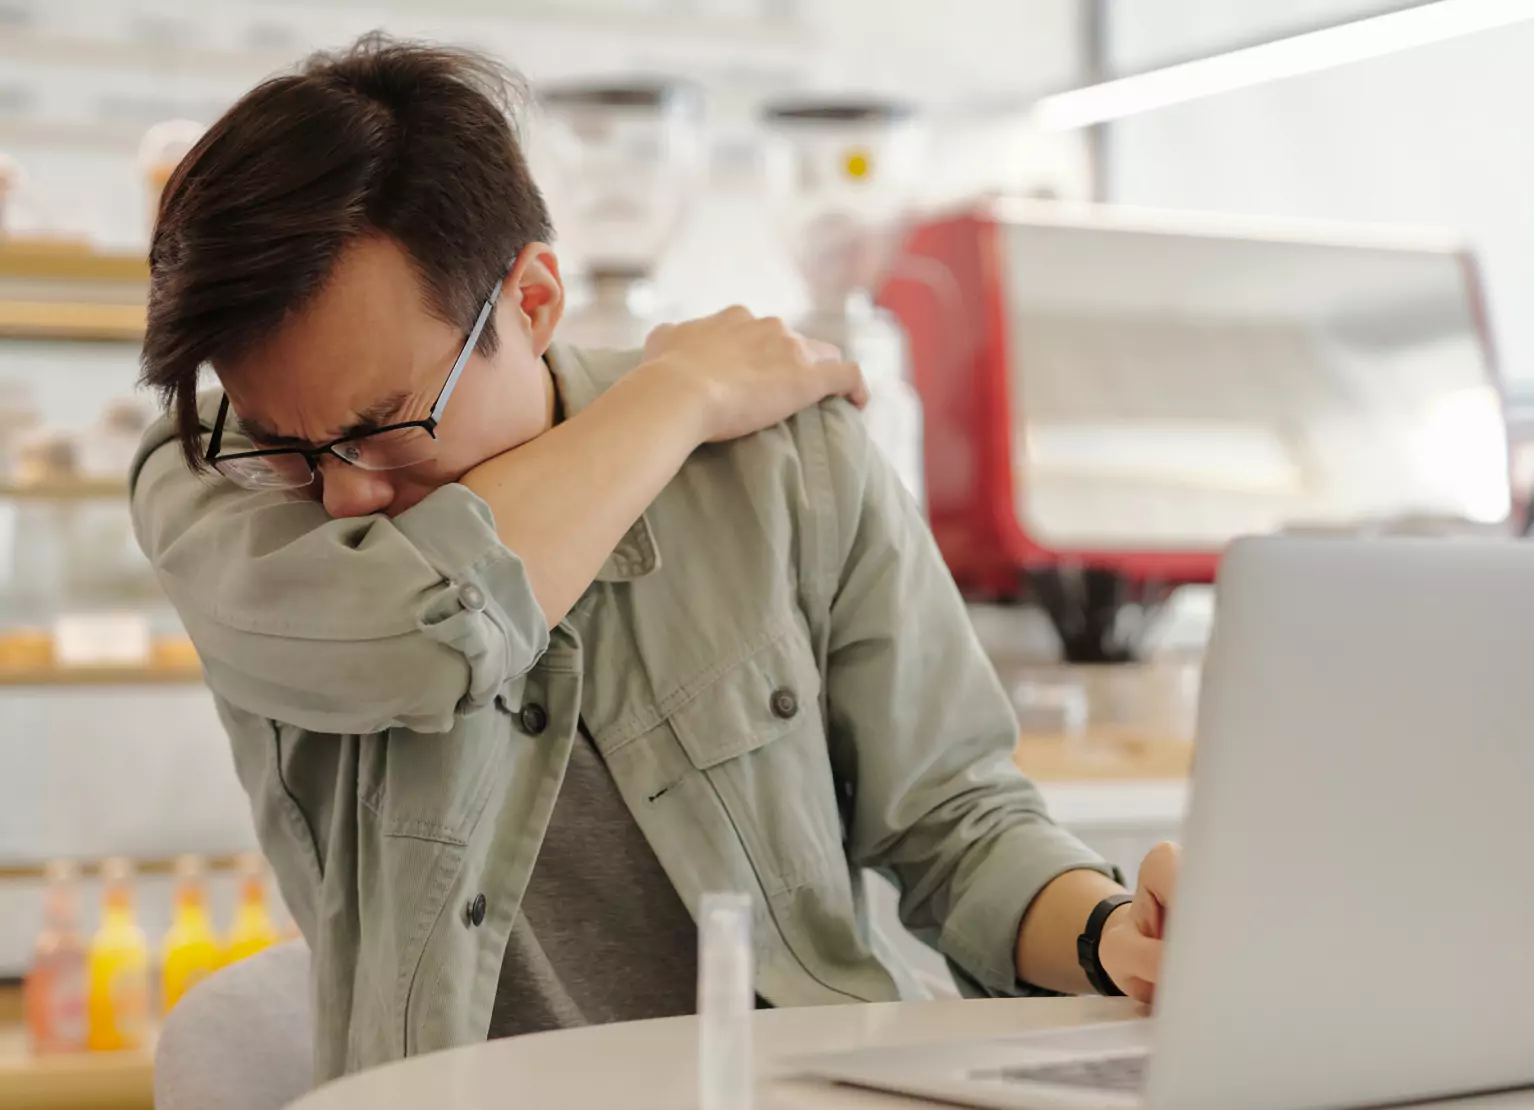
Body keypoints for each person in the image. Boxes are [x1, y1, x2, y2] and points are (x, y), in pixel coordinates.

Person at [130, 36, 1179, 1082]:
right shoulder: (209, 481)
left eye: (386, 423)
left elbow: (953, 821)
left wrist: (1112, 932)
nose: (344, 491)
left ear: (532, 303)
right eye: (284, 437)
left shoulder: (784, 463)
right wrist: (675, 399)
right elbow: (412, 631)